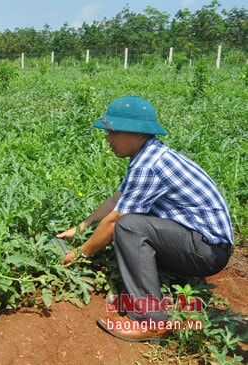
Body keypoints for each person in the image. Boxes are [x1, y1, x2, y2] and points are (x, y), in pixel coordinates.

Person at [57, 95, 234, 342]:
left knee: (129, 226)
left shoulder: (149, 165)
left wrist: (81, 253)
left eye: (114, 132)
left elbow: (116, 219)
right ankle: (171, 285)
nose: (108, 139)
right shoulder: (148, 155)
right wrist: (82, 226)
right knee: (135, 217)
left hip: (206, 252)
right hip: (202, 245)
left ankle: (149, 320)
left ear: (139, 134)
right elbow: (115, 200)